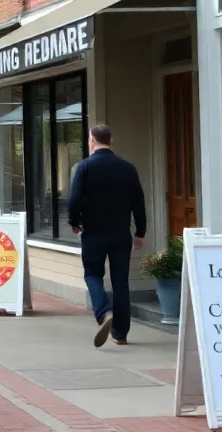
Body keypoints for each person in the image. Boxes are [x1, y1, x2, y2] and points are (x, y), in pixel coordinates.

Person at [68, 124, 147, 348]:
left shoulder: (84, 167)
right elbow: (138, 203)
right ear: (111, 141)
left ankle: (104, 313)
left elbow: (74, 200)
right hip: (121, 234)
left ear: (92, 140)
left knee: (93, 274)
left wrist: (74, 222)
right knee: (120, 280)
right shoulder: (127, 168)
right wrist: (140, 232)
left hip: (93, 232)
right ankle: (120, 333)